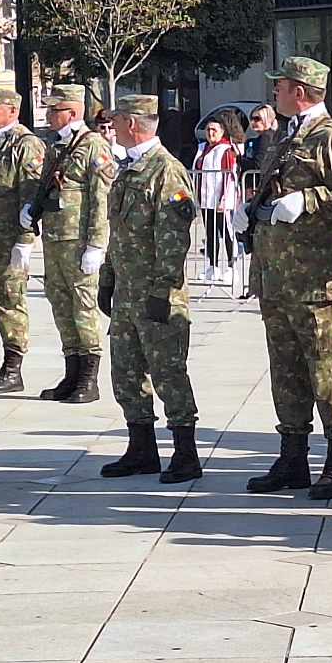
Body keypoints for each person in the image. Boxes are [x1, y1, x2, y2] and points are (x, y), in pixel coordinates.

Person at [246, 56, 332, 500]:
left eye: (280, 86)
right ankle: (292, 458)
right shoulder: (287, 137)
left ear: (300, 91)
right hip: (278, 280)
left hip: (317, 283)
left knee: (329, 373)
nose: (275, 93)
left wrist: (310, 199)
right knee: (287, 373)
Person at [98, 94, 203, 483]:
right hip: (128, 291)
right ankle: (141, 448)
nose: (111, 127)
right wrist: (108, 278)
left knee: (168, 371)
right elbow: (119, 233)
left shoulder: (166, 171)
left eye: (116, 120)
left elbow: (174, 238)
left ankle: (185, 453)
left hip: (157, 293)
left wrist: (163, 289)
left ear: (131, 123)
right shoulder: (127, 170)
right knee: (125, 371)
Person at [25, 84, 114, 403]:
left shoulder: (93, 146)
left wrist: (96, 245)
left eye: (54, 110)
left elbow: (101, 199)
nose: (48, 116)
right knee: (61, 306)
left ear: (72, 112)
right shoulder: (57, 146)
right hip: (55, 240)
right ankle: (72, 372)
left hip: (79, 241)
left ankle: (89, 379)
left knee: (83, 306)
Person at [0, 84, 48, 394]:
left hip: (7, 241)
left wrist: (25, 240)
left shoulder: (25, 145)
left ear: (12, 111)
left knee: (9, 304)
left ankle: (12, 368)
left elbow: (30, 195)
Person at [192, 118, 240, 283]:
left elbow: (229, 175)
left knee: (226, 233)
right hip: (205, 200)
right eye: (208, 130)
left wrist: (224, 199)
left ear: (222, 131)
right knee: (210, 234)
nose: (211, 133)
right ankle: (213, 266)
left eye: (214, 130)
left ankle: (232, 267)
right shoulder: (202, 149)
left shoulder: (226, 150)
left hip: (221, 200)